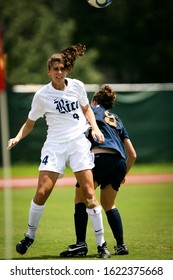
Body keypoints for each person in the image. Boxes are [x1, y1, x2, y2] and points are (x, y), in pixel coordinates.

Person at [7, 43, 111, 258]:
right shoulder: (42, 95)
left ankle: (102, 245)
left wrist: (95, 127)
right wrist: (17, 137)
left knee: (90, 194)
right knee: (42, 193)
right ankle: (29, 235)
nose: (59, 72)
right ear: (49, 71)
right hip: (54, 146)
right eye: (55, 69)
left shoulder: (77, 86)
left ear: (66, 69)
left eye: (62, 68)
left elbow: (86, 109)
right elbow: (30, 123)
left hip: (78, 144)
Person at [60, 84, 137, 257]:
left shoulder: (91, 111)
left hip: (98, 160)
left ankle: (81, 244)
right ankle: (121, 245)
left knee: (80, 199)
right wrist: (123, 174)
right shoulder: (116, 119)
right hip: (118, 162)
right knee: (109, 205)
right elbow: (132, 154)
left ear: (94, 101)